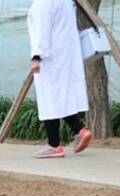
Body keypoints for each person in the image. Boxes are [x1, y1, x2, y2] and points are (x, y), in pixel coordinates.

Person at [28, 0, 93, 159]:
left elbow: (42, 29)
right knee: (60, 97)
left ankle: (54, 145)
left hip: (50, 57)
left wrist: (37, 55)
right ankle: (79, 131)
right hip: (65, 54)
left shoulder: (43, 2)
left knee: (49, 99)